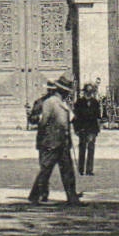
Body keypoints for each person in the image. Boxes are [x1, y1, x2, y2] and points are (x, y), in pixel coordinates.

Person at [28, 75, 80, 206]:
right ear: (61, 90)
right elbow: (43, 122)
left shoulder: (62, 102)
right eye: (66, 91)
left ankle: (72, 198)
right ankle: (35, 196)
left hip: (63, 142)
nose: (68, 93)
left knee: (68, 171)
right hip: (51, 143)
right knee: (45, 170)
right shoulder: (50, 102)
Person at [72, 82, 103, 176]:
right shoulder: (79, 102)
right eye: (87, 91)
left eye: (90, 92)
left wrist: (98, 128)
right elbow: (75, 117)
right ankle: (81, 169)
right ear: (84, 92)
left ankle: (89, 169)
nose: (89, 93)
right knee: (82, 148)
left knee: (91, 148)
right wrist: (76, 129)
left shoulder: (95, 102)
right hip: (82, 128)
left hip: (92, 128)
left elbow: (98, 116)